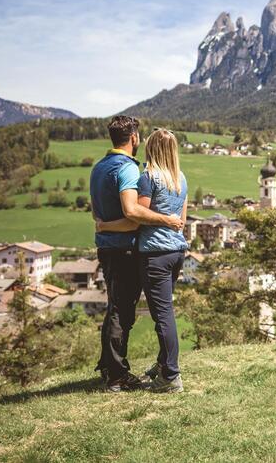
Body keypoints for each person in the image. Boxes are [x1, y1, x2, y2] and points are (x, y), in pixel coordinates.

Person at [90, 116, 184, 392]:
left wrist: (104, 225)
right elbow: (133, 216)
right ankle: (117, 375)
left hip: (106, 246)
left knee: (117, 308)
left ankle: (112, 368)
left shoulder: (98, 168)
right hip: (126, 249)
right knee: (125, 312)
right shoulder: (130, 170)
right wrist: (167, 220)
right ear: (134, 138)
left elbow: (96, 210)